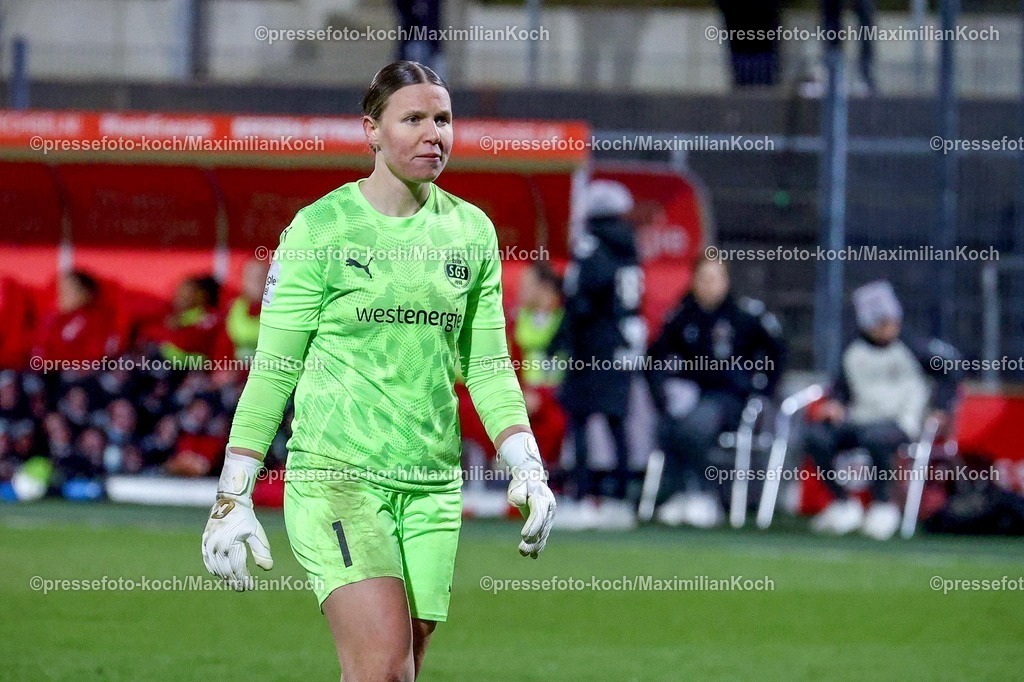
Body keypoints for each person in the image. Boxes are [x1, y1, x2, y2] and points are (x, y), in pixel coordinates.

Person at [200, 61, 556, 682]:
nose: (432, 134)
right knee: (383, 668)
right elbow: (274, 369)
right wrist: (234, 491)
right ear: (371, 130)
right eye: (413, 119)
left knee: (398, 670)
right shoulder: (320, 230)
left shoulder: (471, 233)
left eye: (442, 119)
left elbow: (490, 367)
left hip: (430, 483)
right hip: (337, 477)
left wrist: (525, 462)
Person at [804, 280, 959, 540]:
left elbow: (951, 371)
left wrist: (941, 407)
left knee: (875, 438)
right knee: (816, 435)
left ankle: (884, 504)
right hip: (860, 418)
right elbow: (840, 388)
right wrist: (836, 405)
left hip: (902, 421)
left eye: (891, 320)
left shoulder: (915, 347)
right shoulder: (852, 351)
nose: (888, 327)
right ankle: (843, 504)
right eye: (880, 321)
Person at [645, 256, 785, 527]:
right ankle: (680, 494)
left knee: (695, 426)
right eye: (703, 279)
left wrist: (762, 391)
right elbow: (654, 358)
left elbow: (777, 352)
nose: (709, 285)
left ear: (726, 281)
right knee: (669, 426)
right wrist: (661, 394)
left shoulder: (744, 316)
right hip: (691, 395)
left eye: (715, 278)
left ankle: (707, 495)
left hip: (730, 399)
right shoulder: (682, 317)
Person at [555, 179, 647, 529]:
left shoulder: (592, 246)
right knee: (615, 422)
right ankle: (620, 499)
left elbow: (580, 298)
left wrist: (562, 341)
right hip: (623, 345)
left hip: (592, 345)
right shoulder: (629, 247)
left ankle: (580, 498)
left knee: (578, 421)